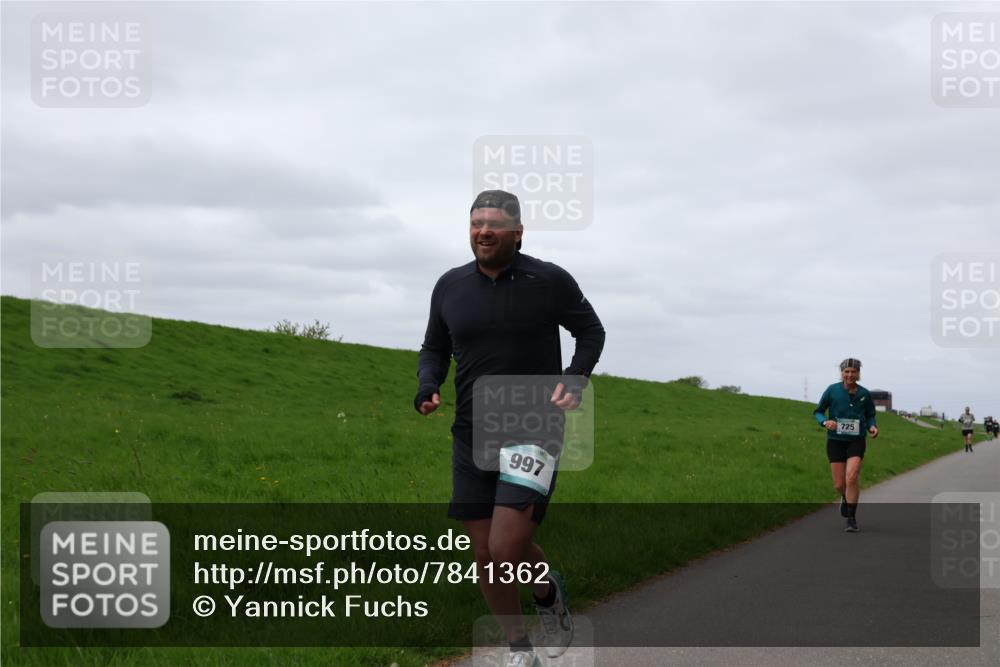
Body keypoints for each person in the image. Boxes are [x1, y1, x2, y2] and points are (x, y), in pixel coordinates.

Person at [415, 190, 605, 667]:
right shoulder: (450, 286)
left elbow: (591, 331)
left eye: (495, 224)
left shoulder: (549, 280)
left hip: (534, 427)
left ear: (518, 233)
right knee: (484, 553)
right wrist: (427, 384)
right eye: (476, 222)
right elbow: (434, 347)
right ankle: (520, 649)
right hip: (471, 433)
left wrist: (576, 377)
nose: (483, 231)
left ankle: (546, 592)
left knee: (506, 545)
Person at [813, 358, 879, 532]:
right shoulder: (832, 390)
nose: (850, 374)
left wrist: (873, 426)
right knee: (839, 484)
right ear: (841, 373)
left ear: (858, 373)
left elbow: (871, 414)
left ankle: (851, 518)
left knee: (852, 477)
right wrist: (825, 422)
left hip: (857, 440)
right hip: (835, 440)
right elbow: (818, 411)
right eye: (847, 371)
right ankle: (845, 496)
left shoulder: (864, 393)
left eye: (853, 371)